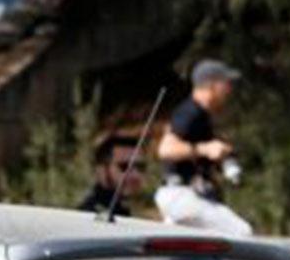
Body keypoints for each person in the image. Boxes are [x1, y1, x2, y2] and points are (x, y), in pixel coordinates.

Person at [156, 59, 252, 235]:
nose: (229, 90)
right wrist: (205, 149)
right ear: (211, 85)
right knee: (242, 233)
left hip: (180, 195)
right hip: (182, 194)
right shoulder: (190, 112)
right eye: (226, 84)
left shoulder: (201, 115)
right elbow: (165, 149)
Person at [76, 129, 145, 217]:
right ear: (100, 170)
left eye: (141, 167)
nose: (136, 175)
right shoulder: (89, 215)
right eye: (124, 166)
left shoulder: (124, 209)